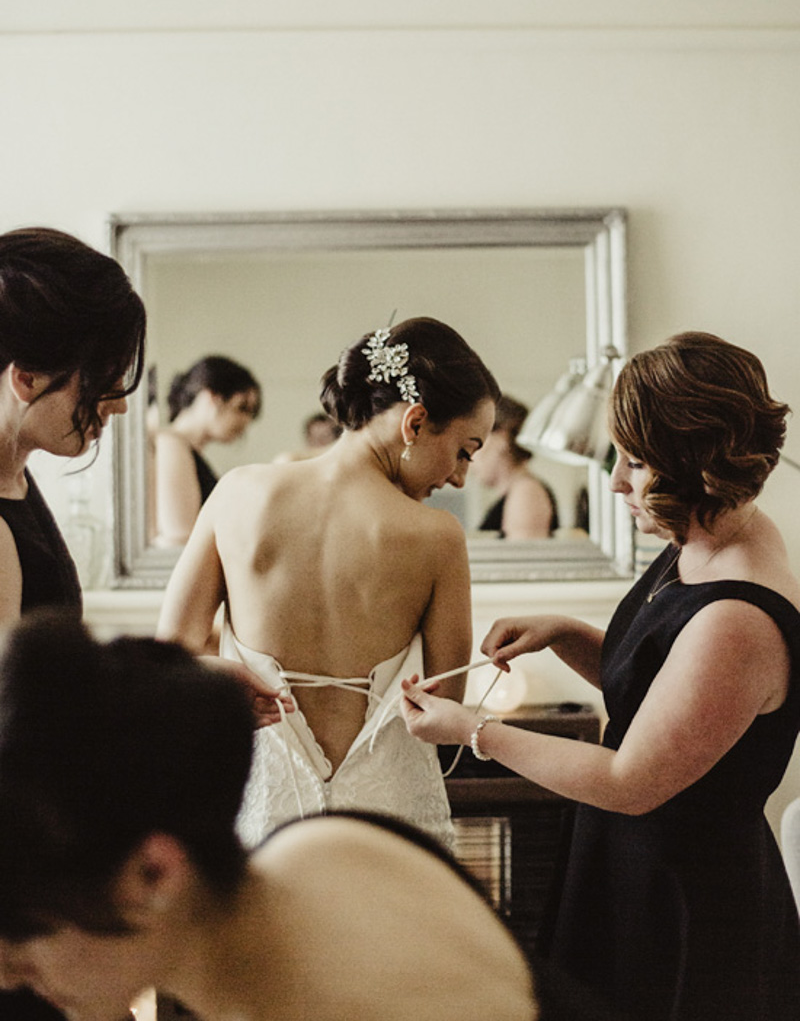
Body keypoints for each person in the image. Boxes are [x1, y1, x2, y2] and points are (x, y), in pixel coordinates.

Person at [402, 332, 800, 1021]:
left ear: (697, 464)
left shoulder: (739, 616)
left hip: (685, 902)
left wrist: (477, 730)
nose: (615, 481)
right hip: (633, 864)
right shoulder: (707, 536)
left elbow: (633, 780)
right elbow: (668, 683)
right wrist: (567, 633)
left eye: (636, 462)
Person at [0, 613, 538, 1021]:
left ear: (155, 872)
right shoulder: (321, 849)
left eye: (25, 936)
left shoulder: (318, 998)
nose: (4, 974)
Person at [157, 318, 500, 849]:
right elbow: (445, 702)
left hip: (264, 805)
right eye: (464, 450)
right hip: (390, 819)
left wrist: (230, 682)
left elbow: (169, 658)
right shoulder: (437, 536)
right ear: (414, 422)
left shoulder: (237, 494)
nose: (459, 477)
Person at [0, 225, 146, 1020]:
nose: (116, 404)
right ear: (26, 376)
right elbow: (13, 732)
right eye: (99, 381)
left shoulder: (18, 477)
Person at [153, 355, 261, 547]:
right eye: (242, 407)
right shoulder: (173, 444)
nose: (246, 421)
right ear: (211, 397)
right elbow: (181, 535)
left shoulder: (182, 448)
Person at [473, 395, 558, 538]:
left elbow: (527, 558)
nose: (471, 456)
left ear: (501, 438)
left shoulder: (526, 493)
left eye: (476, 442)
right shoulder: (520, 491)